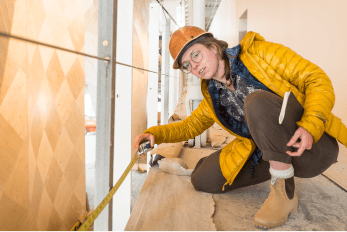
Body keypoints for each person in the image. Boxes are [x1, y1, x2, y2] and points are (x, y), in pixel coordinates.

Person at [134, 26, 347, 228]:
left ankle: (283, 192)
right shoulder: (213, 95)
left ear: (214, 47)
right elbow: (191, 126)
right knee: (202, 180)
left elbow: (316, 79)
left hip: (310, 147)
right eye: (187, 65)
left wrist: (311, 124)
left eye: (196, 55)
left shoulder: (260, 53)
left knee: (256, 102)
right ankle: (275, 166)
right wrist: (155, 134)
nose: (194, 66)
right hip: (267, 150)